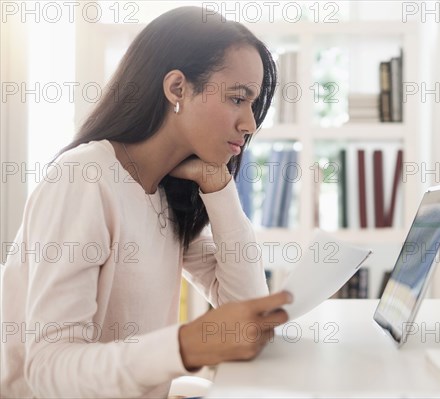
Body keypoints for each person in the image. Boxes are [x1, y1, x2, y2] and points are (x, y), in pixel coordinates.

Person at [0, 6, 292, 398]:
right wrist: (186, 346)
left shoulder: (167, 192)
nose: (250, 124)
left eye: (253, 105)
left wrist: (218, 187)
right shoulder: (84, 179)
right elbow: (50, 371)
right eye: (238, 99)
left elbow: (249, 310)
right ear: (177, 89)